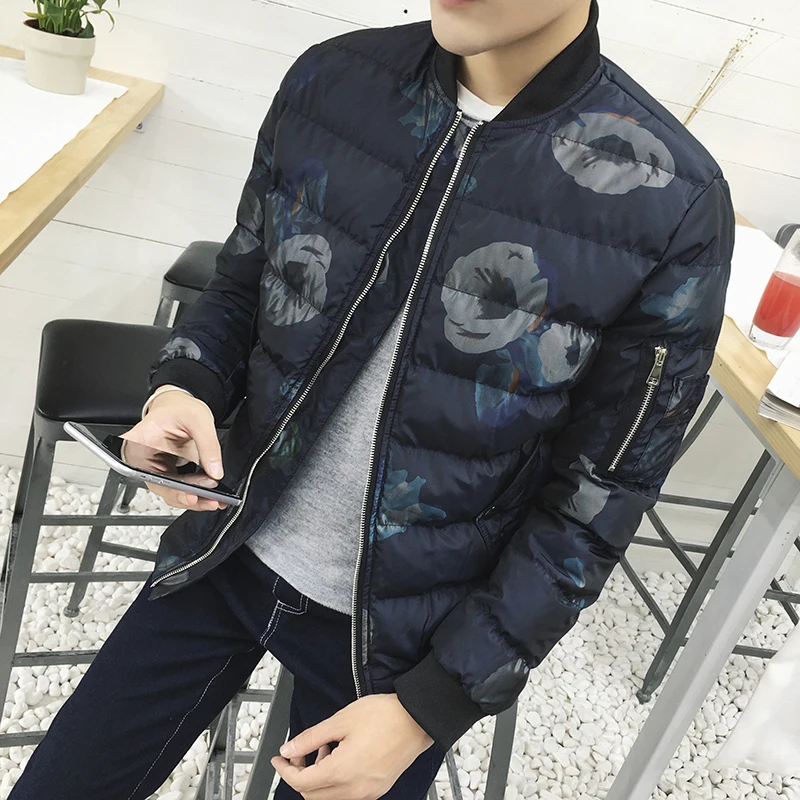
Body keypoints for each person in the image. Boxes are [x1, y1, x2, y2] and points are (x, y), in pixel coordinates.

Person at [10, 0, 734, 797]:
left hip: (401, 649)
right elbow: (245, 282)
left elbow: (599, 498)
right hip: (226, 547)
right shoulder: (334, 79)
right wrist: (185, 386)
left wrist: (433, 704)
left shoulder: (671, 199)